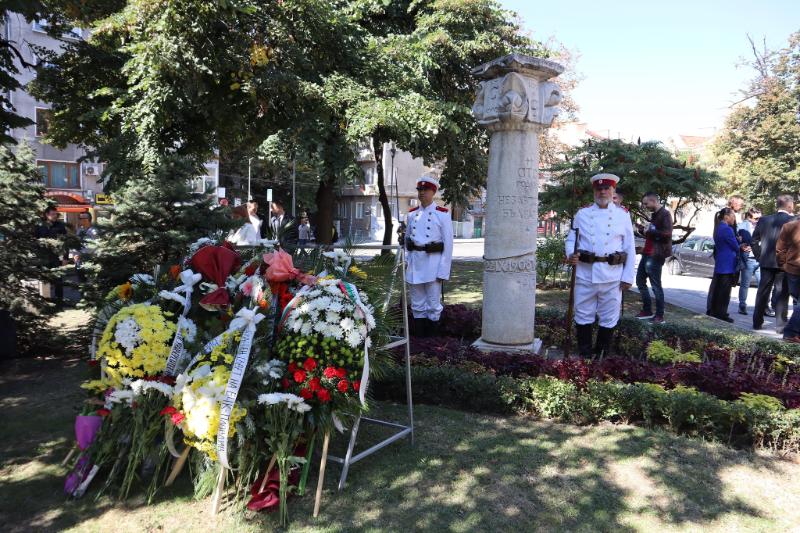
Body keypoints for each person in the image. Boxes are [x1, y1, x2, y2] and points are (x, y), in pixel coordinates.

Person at [565, 173, 636, 357]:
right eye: (599, 189)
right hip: (585, 272)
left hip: (612, 275)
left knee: (609, 317)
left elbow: (629, 246)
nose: (602, 192)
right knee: (583, 313)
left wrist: (628, 277)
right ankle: (585, 356)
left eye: (606, 188)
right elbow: (572, 237)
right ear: (594, 191)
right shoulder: (582, 213)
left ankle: (602, 355)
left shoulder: (623, 215)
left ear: (613, 191)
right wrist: (570, 254)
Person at [400, 175, 453, 337]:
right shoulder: (411, 214)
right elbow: (407, 242)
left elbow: (448, 245)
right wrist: (405, 261)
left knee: (433, 304)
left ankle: (432, 340)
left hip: (433, 264)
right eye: (420, 190)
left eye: (425, 190)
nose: (421, 193)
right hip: (415, 263)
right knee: (417, 304)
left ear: (433, 192)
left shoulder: (442, 214)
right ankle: (420, 339)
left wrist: (443, 271)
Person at [752, 195, 795, 332]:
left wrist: (760, 256)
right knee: (782, 294)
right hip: (784, 262)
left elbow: (754, 241)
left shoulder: (764, 220)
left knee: (762, 292)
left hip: (766, 262)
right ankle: (780, 325)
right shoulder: (794, 220)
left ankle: (757, 322)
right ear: (789, 205)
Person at [635, 192, 673, 324]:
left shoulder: (665, 214)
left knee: (656, 285)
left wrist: (649, 231)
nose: (645, 206)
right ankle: (647, 310)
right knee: (640, 280)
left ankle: (659, 315)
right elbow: (652, 234)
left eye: (646, 204)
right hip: (647, 253)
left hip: (656, 255)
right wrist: (641, 229)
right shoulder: (654, 215)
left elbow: (667, 234)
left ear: (653, 201)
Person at [708, 208, 739, 322]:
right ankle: (721, 313)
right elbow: (735, 246)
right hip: (727, 263)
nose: (734, 219)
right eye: (733, 216)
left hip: (721, 262)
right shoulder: (727, 229)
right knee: (724, 291)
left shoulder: (718, 227)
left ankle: (714, 311)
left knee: (718, 289)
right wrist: (739, 241)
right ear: (727, 216)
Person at [36, 205, 68, 305]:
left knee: (58, 280)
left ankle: (59, 301)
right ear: (46, 215)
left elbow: (66, 242)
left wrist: (65, 257)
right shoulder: (40, 226)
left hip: (55, 257)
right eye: (52, 214)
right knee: (44, 280)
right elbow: (35, 241)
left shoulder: (60, 226)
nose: (55, 216)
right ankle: (45, 302)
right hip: (43, 258)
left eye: (56, 214)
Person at [775, 218, 800, 341]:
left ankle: (794, 333)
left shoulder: (788, 226)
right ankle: (791, 333)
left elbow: (780, 249)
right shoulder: (789, 226)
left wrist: (783, 265)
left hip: (791, 269)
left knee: (796, 301)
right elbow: (780, 249)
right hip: (792, 269)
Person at [737, 208, 762, 315]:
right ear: (749, 217)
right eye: (756, 218)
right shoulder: (741, 226)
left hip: (760, 260)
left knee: (763, 284)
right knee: (745, 284)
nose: (759, 220)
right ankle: (742, 305)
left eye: (760, 218)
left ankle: (763, 306)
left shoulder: (763, 225)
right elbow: (735, 240)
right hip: (748, 260)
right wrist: (740, 246)